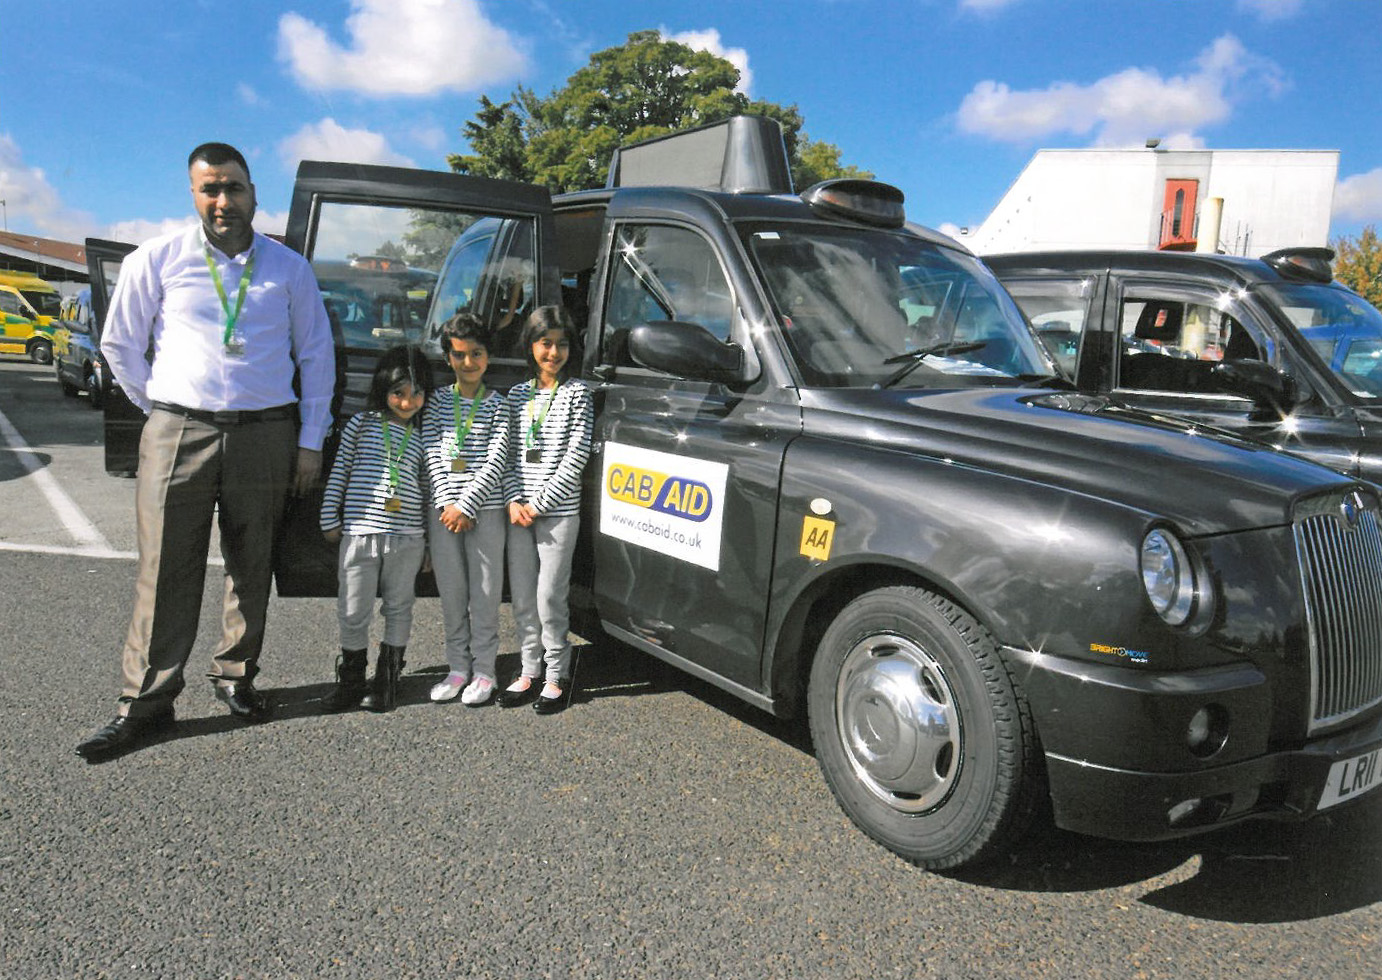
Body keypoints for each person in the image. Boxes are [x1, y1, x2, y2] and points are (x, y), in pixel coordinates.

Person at [75, 142, 335, 761]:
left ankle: (236, 677)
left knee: (252, 564)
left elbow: (316, 358)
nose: (223, 201)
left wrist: (309, 443)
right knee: (165, 570)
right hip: (179, 431)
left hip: (266, 434)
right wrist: (164, 409)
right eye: (210, 189)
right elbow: (120, 346)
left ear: (253, 190)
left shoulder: (288, 268)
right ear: (193, 194)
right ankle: (144, 704)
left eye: (234, 188)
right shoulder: (157, 259)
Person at [319, 346, 432, 713]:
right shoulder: (361, 424)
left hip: (407, 538)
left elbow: (430, 490)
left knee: (399, 607)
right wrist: (329, 517)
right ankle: (351, 678)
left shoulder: (425, 436)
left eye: (416, 393)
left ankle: (387, 680)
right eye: (398, 392)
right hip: (360, 533)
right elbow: (340, 472)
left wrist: (429, 542)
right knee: (353, 609)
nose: (407, 401)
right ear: (383, 388)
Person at [497, 306, 593, 715]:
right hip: (519, 513)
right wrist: (514, 500)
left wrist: (537, 504)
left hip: (556, 515)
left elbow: (575, 458)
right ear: (531, 346)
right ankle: (529, 669)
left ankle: (557, 675)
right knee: (522, 598)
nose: (553, 352)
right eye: (545, 343)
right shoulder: (518, 396)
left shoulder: (578, 394)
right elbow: (509, 455)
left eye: (561, 344)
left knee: (550, 596)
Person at [422, 314, 511, 707]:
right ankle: (457, 667)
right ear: (448, 358)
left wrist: (468, 504)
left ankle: (485, 670)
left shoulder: (500, 406)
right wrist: (447, 504)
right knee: (453, 595)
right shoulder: (439, 401)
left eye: (476, 354)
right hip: (444, 515)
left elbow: (497, 460)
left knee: (486, 595)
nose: (468, 363)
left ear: (489, 357)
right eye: (459, 355)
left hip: (485, 511)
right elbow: (432, 451)